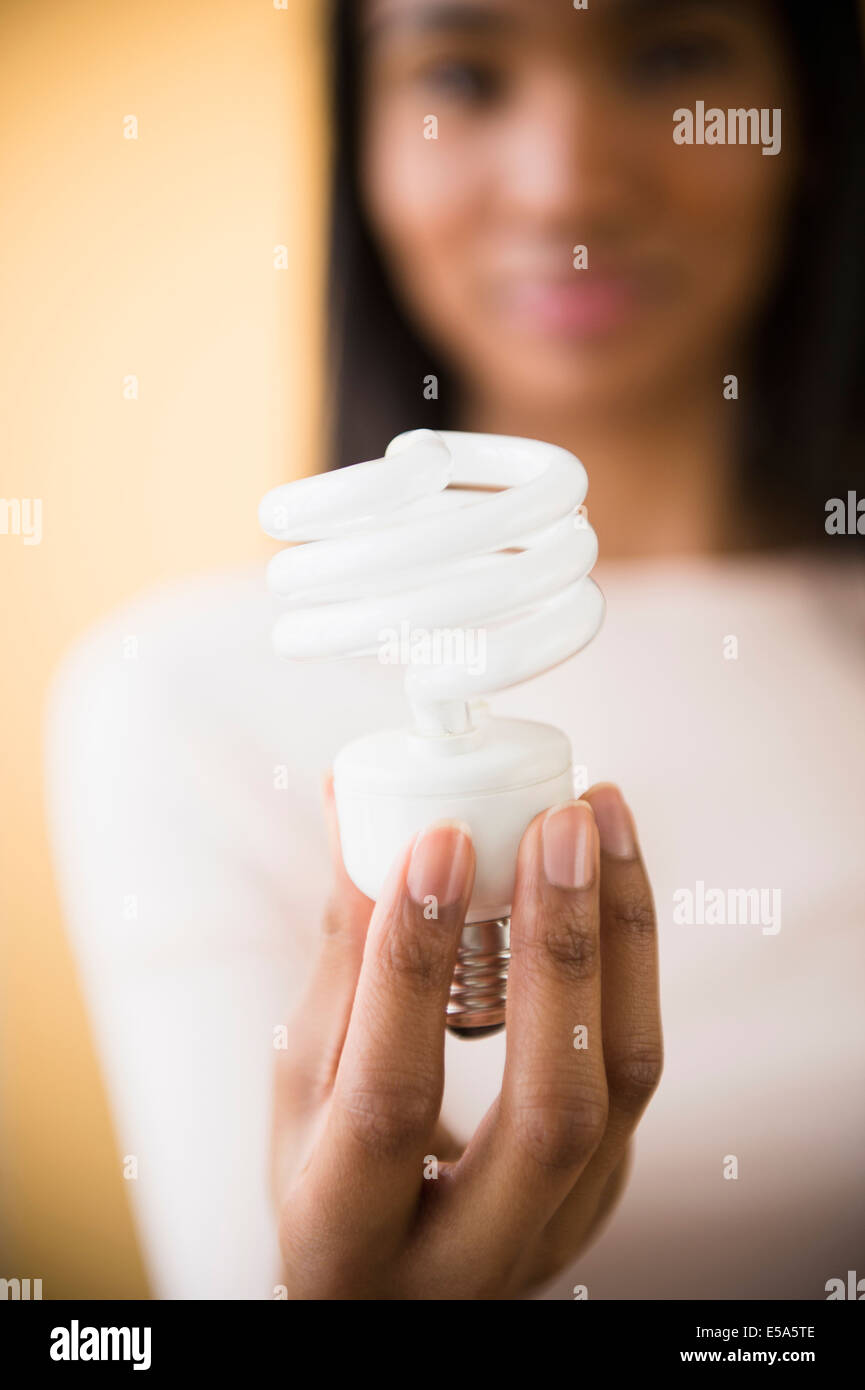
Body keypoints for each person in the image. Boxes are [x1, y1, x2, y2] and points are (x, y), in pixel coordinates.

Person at [47, 0, 865, 1299]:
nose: (562, 187)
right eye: (464, 75)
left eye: (668, 55)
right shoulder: (174, 702)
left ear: (810, 116)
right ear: (363, 143)